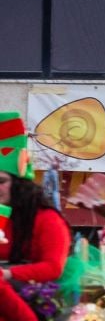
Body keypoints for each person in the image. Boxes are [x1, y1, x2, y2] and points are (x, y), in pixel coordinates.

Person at [0, 114, 73, 288]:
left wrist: (8, 274)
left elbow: (53, 267)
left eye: (1, 182)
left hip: (35, 296)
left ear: (20, 184)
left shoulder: (47, 218)